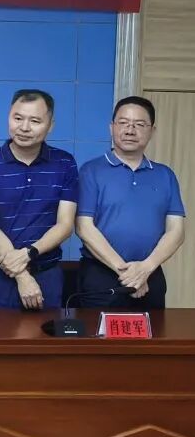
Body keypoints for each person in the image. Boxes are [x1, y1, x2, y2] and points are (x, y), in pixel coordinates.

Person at [0, 90, 78, 310]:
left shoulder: (65, 162)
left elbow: (65, 225)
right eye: (17, 118)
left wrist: (29, 253)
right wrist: (21, 275)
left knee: (45, 333)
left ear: (50, 125)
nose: (24, 127)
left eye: (35, 121)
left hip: (46, 273)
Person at [76, 96, 186, 309]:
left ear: (152, 131)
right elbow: (83, 227)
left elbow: (176, 231)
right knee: (99, 331)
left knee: (152, 331)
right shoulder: (91, 171)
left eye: (139, 124)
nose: (130, 130)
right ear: (112, 127)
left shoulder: (165, 175)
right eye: (123, 123)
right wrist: (127, 273)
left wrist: (145, 269)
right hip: (102, 274)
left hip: (151, 274)